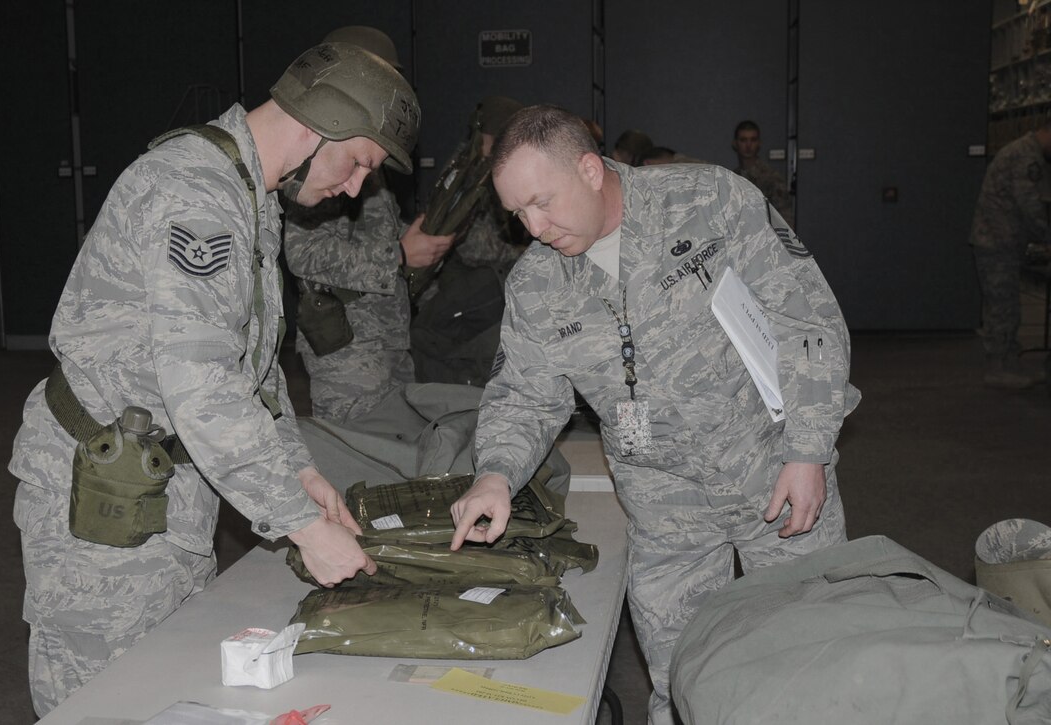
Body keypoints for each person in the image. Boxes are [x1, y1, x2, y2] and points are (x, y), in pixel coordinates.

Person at [7, 40, 419, 715]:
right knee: (98, 700)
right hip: (100, 500)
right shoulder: (194, 193)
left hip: (170, 480)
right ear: (323, 124)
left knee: (163, 686)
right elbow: (200, 382)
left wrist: (299, 474)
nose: (355, 187)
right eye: (359, 164)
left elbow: (253, 367)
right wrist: (301, 525)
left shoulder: (249, 194)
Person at [450, 105, 858, 725]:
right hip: (666, 513)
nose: (533, 227)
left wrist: (809, 449)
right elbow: (526, 394)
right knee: (683, 680)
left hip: (772, 473)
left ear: (590, 169)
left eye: (542, 202)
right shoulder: (536, 285)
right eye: (517, 214)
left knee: (810, 664)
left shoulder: (709, 200)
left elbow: (807, 319)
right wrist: (495, 474)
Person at [284, 26, 455, 422]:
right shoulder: (320, 163)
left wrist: (420, 245)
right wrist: (398, 255)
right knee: (355, 456)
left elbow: (380, 236)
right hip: (348, 349)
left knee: (397, 455)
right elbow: (304, 254)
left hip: (387, 337)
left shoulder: (368, 163)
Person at [410, 95, 528, 386]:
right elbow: (476, 248)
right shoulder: (473, 172)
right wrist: (524, 253)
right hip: (459, 295)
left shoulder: (471, 164)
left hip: (464, 292)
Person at [969, 122, 1051, 388]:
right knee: (1003, 307)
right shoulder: (1025, 156)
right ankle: (997, 368)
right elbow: (1029, 203)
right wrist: (1047, 236)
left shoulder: (1024, 152)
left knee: (1007, 305)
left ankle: (1009, 363)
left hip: (1000, 241)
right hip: (997, 242)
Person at [732, 119, 795, 229]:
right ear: (735, 143)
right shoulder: (733, 178)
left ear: (759, 143)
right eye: (743, 140)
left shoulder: (772, 178)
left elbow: (785, 221)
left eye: (753, 140)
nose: (748, 145)